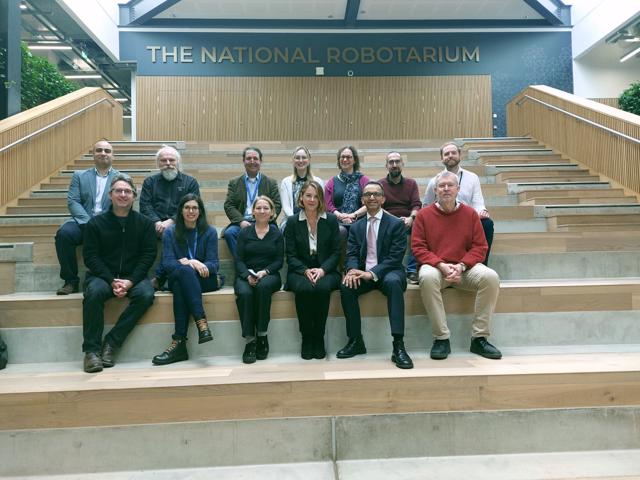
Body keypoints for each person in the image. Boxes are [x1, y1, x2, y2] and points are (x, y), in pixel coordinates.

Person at [413, 171, 502, 361]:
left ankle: (479, 338)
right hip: (437, 268)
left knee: (491, 277)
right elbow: (418, 248)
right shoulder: (423, 215)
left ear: (458, 189)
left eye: (450, 185)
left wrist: (461, 266)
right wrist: (441, 265)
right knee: (426, 276)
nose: (446, 189)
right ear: (435, 190)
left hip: (465, 269)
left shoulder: (470, 214)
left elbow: (480, 247)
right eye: (442, 186)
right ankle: (441, 338)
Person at [82, 174, 156, 373]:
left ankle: (112, 343)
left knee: (146, 295)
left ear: (134, 196)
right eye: (118, 191)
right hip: (102, 276)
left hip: (134, 276)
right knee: (94, 293)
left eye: (127, 191)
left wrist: (130, 281)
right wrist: (111, 280)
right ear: (110, 195)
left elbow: (148, 256)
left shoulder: (145, 224)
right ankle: (91, 352)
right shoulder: (95, 224)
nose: (123, 194)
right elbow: (90, 257)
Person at [337, 181, 413, 369]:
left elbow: (395, 258)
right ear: (362, 199)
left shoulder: (396, 224)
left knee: (395, 283)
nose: (372, 197)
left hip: (389, 272)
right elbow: (352, 254)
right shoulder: (356, 227)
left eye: (376, 194)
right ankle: (356, 341)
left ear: (383, 199)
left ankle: (398, 345)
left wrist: (372, 273)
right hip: (363, 272)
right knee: (346, 285)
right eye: (368, 194)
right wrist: (353, 271)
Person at [152, 194, 223, 366]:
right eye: (187, 208)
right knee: (183, 274)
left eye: (195, 208)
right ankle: (201, 325)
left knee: (180, 283)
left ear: (200, 211)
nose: (191, 211)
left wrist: (194, 263)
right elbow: (167, 263)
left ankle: (179, 343)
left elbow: (213, 265)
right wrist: (191, 263)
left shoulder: (209, 231)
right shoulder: (170, 232)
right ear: (181, 210)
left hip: (206, 280)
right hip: (183, 276)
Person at [54, 139, 119, 295]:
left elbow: (123, 203)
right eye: (99, 150)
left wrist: (102, 223)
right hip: (83, 222)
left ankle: (112, 278)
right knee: (64, 234)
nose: (103, 153)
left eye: (107, 151)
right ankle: (71, 281)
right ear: (93, 154)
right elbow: (73, 201)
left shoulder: (121, 177)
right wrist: (89, 223)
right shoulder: (79, 176)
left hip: (108, 224)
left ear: (113, 156)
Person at [284, 181, 341, 360]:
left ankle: (319, 336)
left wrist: (323, 270)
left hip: (326, 269)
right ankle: (307, 337)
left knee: (322, 288)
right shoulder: (293, 222)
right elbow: (290, 256)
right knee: (305, 289)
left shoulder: (330, 219)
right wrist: (304, 271)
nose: (312, 199)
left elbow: (336, 252)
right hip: (299, 270)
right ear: (301, 197)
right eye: (308, 195)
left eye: (316, 196)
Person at [140, 145, 200, 289]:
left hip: (181, 223)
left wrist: (170, 221)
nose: (168, 163)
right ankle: (137, 277)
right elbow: (145, 206)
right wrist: (156, 222)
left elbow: (192, 206)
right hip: (154, 224)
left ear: (178, 162)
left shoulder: (190, 182)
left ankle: (159, 277)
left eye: (171, 160)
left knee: (170, 232)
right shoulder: (150, 182)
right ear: (158, 163)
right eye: (164, 160)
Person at [423, 142, 494, 263]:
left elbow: (478, 203)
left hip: (466, 221)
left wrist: (481, 211)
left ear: (459, 155)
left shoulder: (473, 177)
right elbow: (426, 206)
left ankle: (481, 264)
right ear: (442, 159)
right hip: (442, 220)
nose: (450, 155)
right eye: (446, 154)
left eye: (453, 153)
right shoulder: (434, 181)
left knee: (487, 223)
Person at [234, 196, 284, 364]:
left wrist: (265, 272)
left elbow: (279, 261)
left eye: (266, 208)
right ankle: (250, 341)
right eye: (259, 208)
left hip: (269, 274)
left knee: (263, 289)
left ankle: (262, 335)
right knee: (245, 293)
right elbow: (238, 260)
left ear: (272, 212)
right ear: (253, 211)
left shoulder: (276, 232)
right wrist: (247, 275)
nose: (262, 211)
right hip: (246, 273)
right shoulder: (244, 232)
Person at [223, 146, 281, 258]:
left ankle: (265, 267)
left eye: (255, 158)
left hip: (265, 222)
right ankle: (242, 267)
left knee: (275, 232)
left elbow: (277, 204)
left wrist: (264, 220)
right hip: (243, 222)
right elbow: (229, 205)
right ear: (244, 161)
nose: (252, 161)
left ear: (260, 161)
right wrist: (241, 221)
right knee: (229, 233)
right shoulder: (234, 183)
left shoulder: (271, 182)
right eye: (249, 158)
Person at [378, 151, 422, 284]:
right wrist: (396, 220)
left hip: (408, 221)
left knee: (420, 225)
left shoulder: (411, 183)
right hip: (387, 220)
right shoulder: (380, 185)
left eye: (397, 161)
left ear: (402, 164)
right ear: (386, 165)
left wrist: (411, 218)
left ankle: (412, 270)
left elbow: (416, 205)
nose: (394, 164)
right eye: (391, 162)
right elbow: (379, 208)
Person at [324, 146, 369, 241]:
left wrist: (353, 215)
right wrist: (340, 216)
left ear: (354, 160)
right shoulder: (332, 182)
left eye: (348, 157)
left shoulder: (364, 180)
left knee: (358, 230)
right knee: (340, 232)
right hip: (337, 221)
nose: (345, 159)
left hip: (359, 220)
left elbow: (369, 203)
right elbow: (328, 205)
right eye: (342, 157)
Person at [279, 146, 324, 231]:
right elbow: (286, 207)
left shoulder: (318, 181)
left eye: (304, 157)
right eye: (297, 158)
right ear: (293, 160)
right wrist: (296, 221)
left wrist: (311, 221)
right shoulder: (286, 182)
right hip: (291, 220)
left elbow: (320, 204)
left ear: (309, 160)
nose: (300, 160)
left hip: (314, 219)